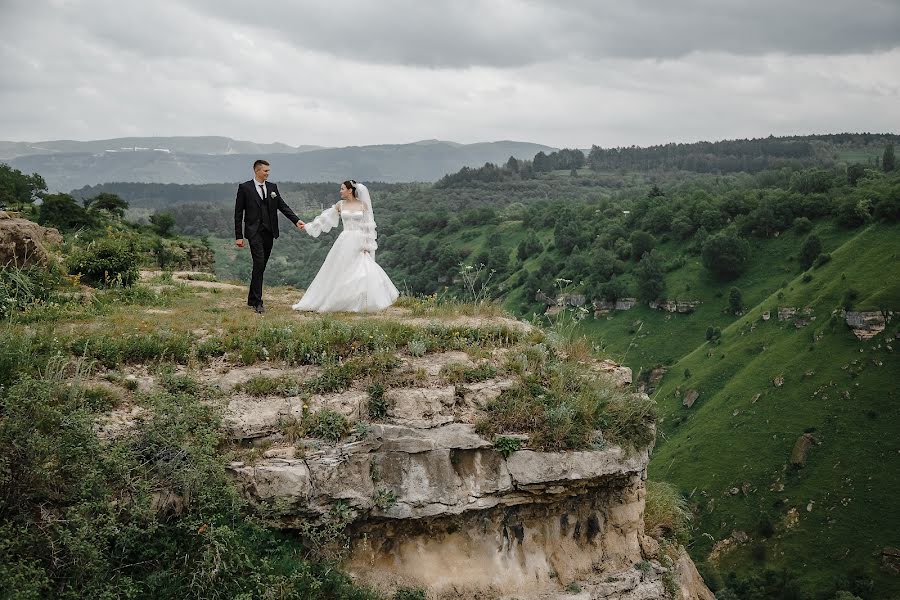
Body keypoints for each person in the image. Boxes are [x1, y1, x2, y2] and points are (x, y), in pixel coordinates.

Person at [292, 180, 399, 312]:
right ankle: (339, 300)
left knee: (361, 269)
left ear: (350, 190)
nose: (340, 191)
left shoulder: (363, 205)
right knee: (341, 268)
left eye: (342, 189)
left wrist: (367, 245)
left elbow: (368, 226)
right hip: (345, 239)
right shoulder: (340, 205)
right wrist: (308, 225)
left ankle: (359, 301)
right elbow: (325, 218)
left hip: (359, 240)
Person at [234, 159, 304, 313]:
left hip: (269, 232)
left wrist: (296, 220)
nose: (268, 173)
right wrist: (239, 236)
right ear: (257, 171)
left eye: (268, 171)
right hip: (253, 232)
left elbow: (282, 206)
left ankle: (251, 298)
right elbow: (238, 213)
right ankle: (258, 302)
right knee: (259, 263)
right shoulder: (245, 188)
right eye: (265, 171)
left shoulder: (272, 188)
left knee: (261, 266)